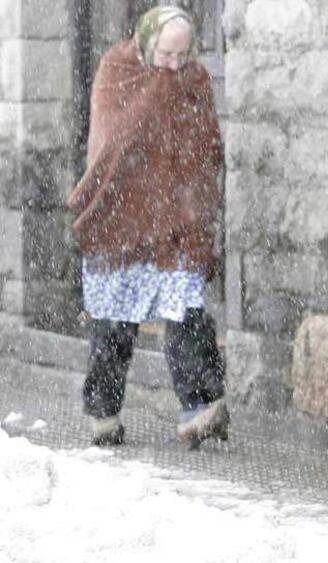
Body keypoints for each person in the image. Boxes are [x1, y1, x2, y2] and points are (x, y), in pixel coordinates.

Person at [67, 6, 229, 448]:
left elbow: (206, 143)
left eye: (182, 55)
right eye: (165, 53)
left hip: (178, 217)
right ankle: (103, 414)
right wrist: (160, 89)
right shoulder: (116, 70)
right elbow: (115, 140)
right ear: (146, 40)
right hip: (122, 219)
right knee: (114, 323)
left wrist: (192, 202)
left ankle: (202, 406)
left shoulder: (194, 79)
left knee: (186, 312)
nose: (174, 64)